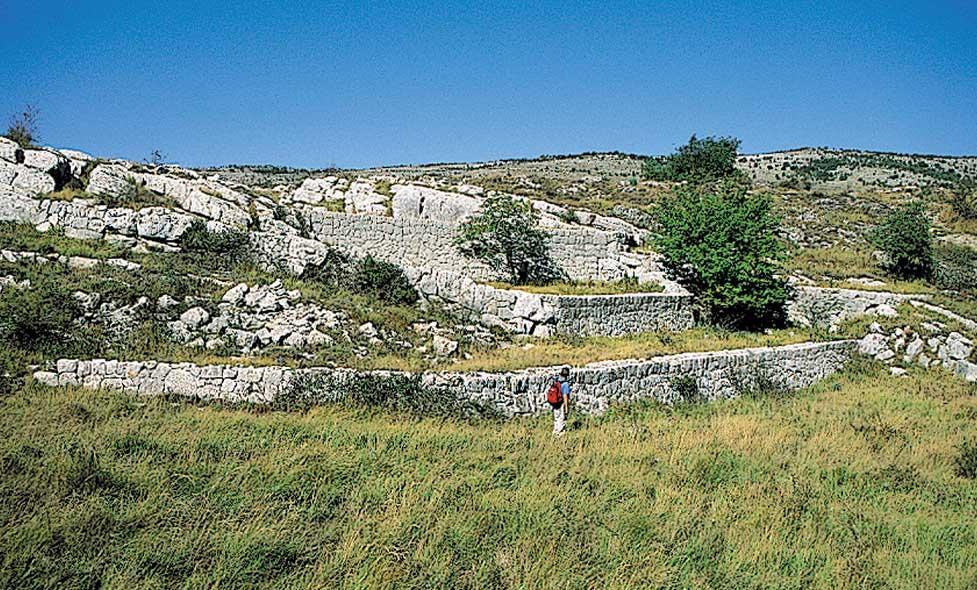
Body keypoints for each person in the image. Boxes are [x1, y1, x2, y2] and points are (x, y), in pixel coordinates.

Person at [546, 366, 571, 435]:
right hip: (561, 403)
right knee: (561, 418)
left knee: (556, 418)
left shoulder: (557, 382)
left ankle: (555, 432)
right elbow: (565, 396)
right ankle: (560, 434)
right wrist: (566, 408)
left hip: (555, 403)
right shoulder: (565, 384)